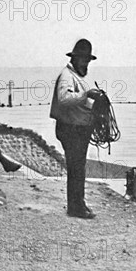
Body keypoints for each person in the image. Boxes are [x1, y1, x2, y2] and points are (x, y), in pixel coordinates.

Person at [50, 39, 103, 219]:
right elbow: (64, 98)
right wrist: (87, 94)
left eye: (87, 60)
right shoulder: (66, 76)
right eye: (83, 59)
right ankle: (75, 207)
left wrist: (93, 103)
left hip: (78, 127)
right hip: (70, 128)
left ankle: (78, 203)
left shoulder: (77, 77)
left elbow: (78, 100)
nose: (85, 63)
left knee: (78, 167)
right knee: (76, 168)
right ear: (74, 58)